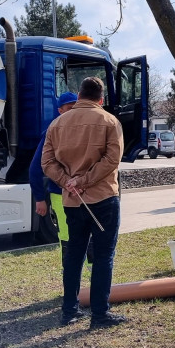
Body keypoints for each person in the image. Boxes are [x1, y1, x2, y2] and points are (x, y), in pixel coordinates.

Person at [42, 76, 125, 330]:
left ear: (79, 96)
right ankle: (99, 314)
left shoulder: (57, 124)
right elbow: (112, 160)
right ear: (101, 99)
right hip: (103, 199)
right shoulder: (110, 121)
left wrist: (68, 182)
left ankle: (69, 311)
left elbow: (47, 163)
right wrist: (85, 181)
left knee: (74, 255)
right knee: (103, 257)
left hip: (72, 202)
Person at [29, 92, 78, 250]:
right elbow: (35, 168)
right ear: (60, 111)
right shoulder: (52, 133)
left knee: (86, 235)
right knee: (67, 236)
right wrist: (40, 199)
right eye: (70, 108)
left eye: (76, 108)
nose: (74, 112)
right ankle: (70, 272)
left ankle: (91, 272)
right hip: (60, 194)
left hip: (84, 193)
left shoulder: (85, 131)